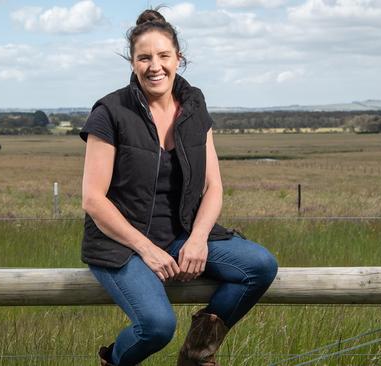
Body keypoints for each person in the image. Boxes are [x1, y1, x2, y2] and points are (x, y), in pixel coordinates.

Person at [80, 8, 278, 366]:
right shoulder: (109, 112)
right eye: (144, 58)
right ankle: (113, 361)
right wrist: (147, 249)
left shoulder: (194, 105)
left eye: (163, 56)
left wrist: (198, 238)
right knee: (156, 326)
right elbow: (93, 200)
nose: (154, 66)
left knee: (260, 265)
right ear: (133, 62)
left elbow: (214, 185)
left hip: (180, 234)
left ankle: (197, 354)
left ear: (178, 59)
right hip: (121, 243)